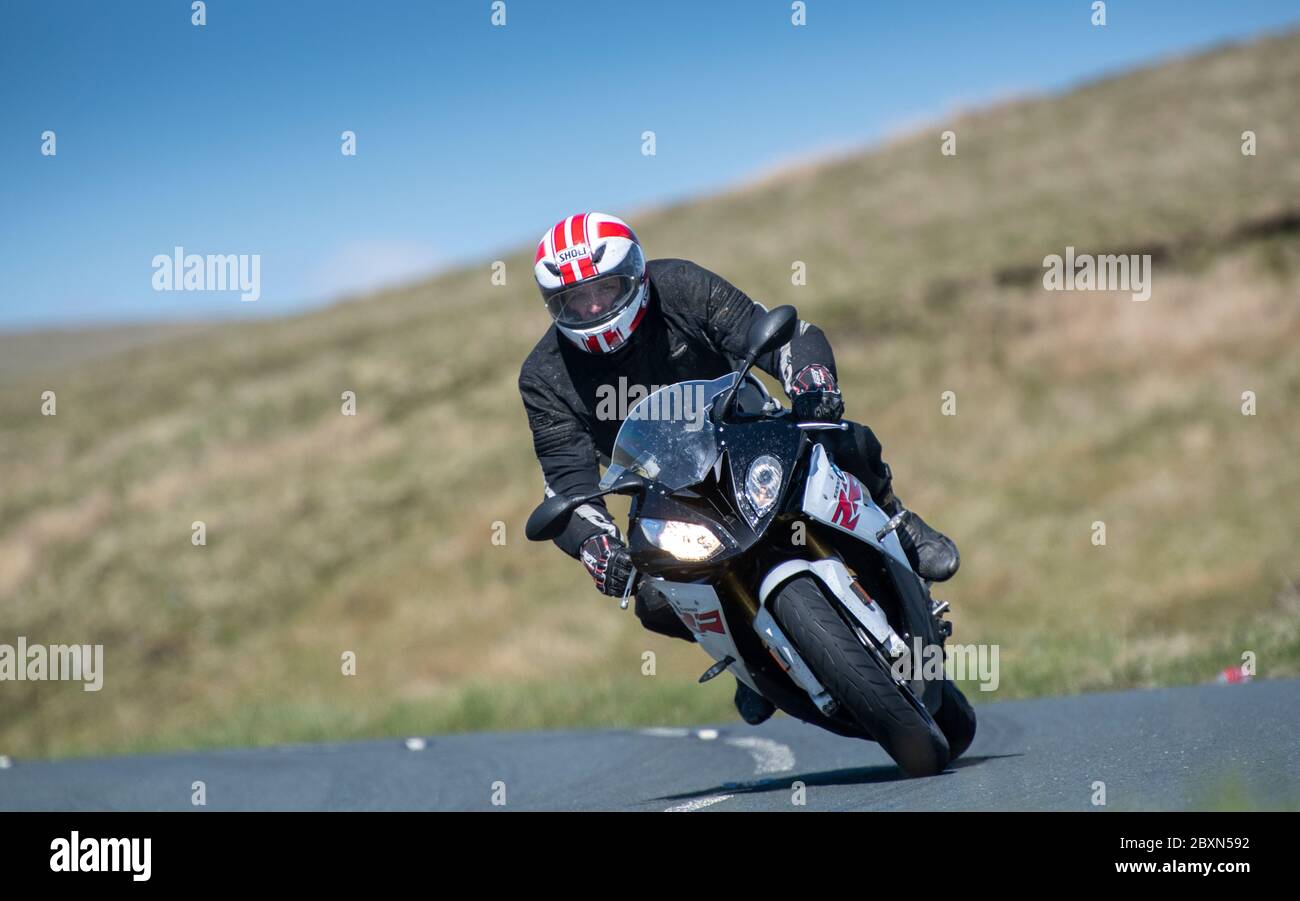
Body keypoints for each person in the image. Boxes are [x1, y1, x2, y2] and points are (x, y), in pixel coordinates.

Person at [518, 212, 959, 725]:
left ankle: (898, 522)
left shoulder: (680, 285)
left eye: (605, 289)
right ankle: (746, 661)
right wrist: (597, 548)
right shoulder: (544, 375)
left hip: (746, 435)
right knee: (655, 600)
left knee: (847, 439)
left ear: (634, 277)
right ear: (554, 307)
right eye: (575, 300)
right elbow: (566, 480)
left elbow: (776, 333)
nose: (593, 307)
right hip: (664, 490)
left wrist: (812, 382)